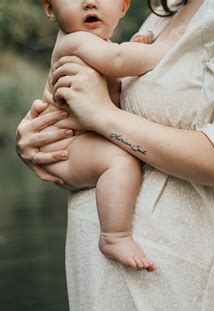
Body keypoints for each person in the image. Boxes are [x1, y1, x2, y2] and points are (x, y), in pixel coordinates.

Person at [16, 0, 214, 311]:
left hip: (185, 279)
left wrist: (102, 115)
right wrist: (40, 139)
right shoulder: (168, 10)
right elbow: (117, 127)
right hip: (104, 278)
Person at [34, 0, 183, 272]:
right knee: (120, 160)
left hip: (81, 142)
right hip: (66, 146)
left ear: (124, 7)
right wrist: (168, 50)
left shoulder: (99, 46)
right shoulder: (73, 41)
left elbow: (117, 75)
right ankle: (114, 236)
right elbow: (119, 61)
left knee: (120, 155)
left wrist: (137, 49)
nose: (89, 2)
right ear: (50, 9)